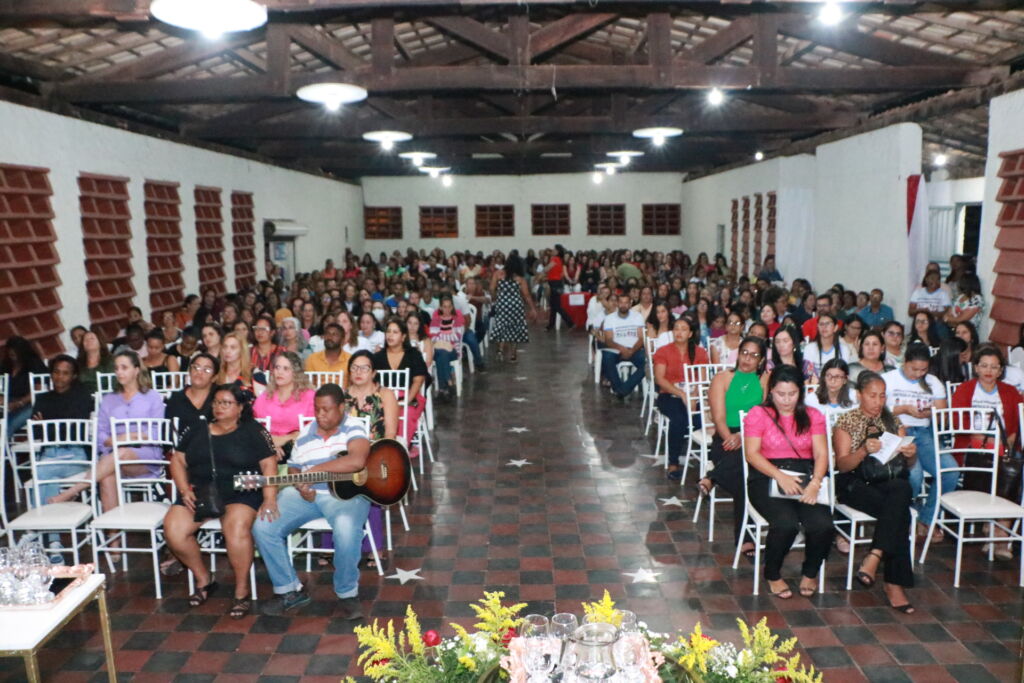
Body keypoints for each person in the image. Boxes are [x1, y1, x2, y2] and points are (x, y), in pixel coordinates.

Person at [253, 384, 371, 618]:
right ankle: (289, 590)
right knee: (263, 526)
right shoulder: (306, 433)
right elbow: (295, 468)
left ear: (341, 407)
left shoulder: (353, 427)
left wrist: (315, 469)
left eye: (327, 410)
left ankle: (347, 593)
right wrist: (300, 484)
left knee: (347, 530)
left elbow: (357, 460)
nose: (320, 415)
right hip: (306, 496)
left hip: (345, 496)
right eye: (317, 409)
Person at [163, 384, 277, 618]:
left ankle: (241, 590)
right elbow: (177, 461)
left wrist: (269, 498)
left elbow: (268, 464)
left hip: (241, 492)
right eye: (216, 402)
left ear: (240, 407)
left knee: (235, 529)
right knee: (174, 531)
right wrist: (184, 490)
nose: (219, 407)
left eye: (226, 403)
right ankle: (204, 578)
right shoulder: (197, 428)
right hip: (201, 492)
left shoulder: (253, 431)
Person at [743, 365, 833, 598]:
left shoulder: (813, 416)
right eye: (781, 394)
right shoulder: (758, 414)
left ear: (800, 392)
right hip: (766, 475)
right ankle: (772, 573)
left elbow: (822, 454)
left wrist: (815, 483)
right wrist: (779, 475)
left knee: (822, 524)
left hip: (804, 474)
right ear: (771, 391)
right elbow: (752, 454)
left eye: (792, 394)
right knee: (786, 524)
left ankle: (810, 572)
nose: (786, 400)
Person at [49, 351, 166, 528]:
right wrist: (116, 440)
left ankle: (74, 490)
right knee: (106, 476)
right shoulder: (109, 399)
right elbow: (101, 434)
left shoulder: (152, 397)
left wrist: (124, 438)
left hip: (145, 458)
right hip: (113, 458)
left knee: (121, 452)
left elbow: (156, 433)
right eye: (116, 368)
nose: (119, 372)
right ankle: (114, 542)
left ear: (136, 370)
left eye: (124, 368)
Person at [833, 371, 918, 613]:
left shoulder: (891, 421)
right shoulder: (847, 421)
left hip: (886, 481)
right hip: (853, 483)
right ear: (859, 395)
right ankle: (894, 584)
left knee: (901, 488)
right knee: (898, 511)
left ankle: (876, 553)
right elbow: (842, 465)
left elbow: (904, 465)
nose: (878, 401)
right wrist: (862, 451)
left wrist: (910, 455)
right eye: (872, 395)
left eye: (882, 396)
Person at [950, 345, 1023, 560]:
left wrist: (1009, 437)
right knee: (991, 462)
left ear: (1001, 370)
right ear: (976, 368)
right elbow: (956, 420)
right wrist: (980, 438)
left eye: (994, 367)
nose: (989, 371)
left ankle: (999, 530)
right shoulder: (964, 389)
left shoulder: (1010, 392)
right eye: (984, 366)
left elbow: (1020, 421)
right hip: (972, 447)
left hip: (1003, 448)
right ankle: (993, 528)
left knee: (1011, 468)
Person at [702, 336, 769, 556]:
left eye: (754, 355)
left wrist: (743, 435)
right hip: (725, 440)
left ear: (761, 360)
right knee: (745, 475)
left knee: (746, 465)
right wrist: (731, 437)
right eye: (744, 353)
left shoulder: (765, 380)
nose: (747, 359)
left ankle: (712, 476)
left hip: (755, 439)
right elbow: (718, 418)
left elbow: (766, 417)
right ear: (738, 354)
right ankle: (745, 539)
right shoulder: (722, 378)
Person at [882, 344, 951, 542]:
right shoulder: (889, 379)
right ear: (905, 363)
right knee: (915, 474)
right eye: (914, 369)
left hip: (924, 433)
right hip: (897, 431)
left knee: (950, 472)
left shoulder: (932, 381)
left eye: (923, 369)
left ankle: (926, 519)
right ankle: (904, 515)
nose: (919, 374)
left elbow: (941, 414)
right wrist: (902, 408)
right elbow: (876, 409)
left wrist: (930, 413)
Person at [29, 355, 94, 561]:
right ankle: (54, 543)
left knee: (41, 473)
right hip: (50, 454)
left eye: (65, 373)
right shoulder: (43, 398)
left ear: (73, 375)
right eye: (56, 372)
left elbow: (74, 429)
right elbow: (39, 433)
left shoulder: (82, 395)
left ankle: (39, 532)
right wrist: (52, 426)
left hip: (75, 454)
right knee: (47, 477)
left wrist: (49, 423)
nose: (60, 377)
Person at [344, 351, 399, 566]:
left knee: (368, 483)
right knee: (331, 479)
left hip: (376, 455)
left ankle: (373, 547)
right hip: (345, 456)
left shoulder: (384, 395)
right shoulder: (342, 396)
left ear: (373, 372)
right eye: (354, 367)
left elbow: (391, 434)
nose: (358, 372)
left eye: (364, 368)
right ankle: (333, 545)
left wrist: (375, 458)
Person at [653, 317, 709, 481]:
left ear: (690, 333)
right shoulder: (663, 351)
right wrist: (682, 394)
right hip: (669, 395)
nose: (679, 332)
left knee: (704, 420)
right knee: (679, 420)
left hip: (693, 396)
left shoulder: (699, 352)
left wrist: (693, 396)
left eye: (684, 329)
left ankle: (709, 463)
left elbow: (702, 380)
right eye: (676, 328)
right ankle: (673, 462)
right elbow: (660, 379)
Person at [372, 318, 429, 448]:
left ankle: (400, 450)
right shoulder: (377, 357)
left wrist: (405, 401)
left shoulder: (413, 354)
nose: (390, 335)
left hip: (409, 397)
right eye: (388, 332)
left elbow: (418, 380)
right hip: (384, 398)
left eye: (395, 332)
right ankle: (379, 449)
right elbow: (373, 382)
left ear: (403, 337)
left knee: (405, 415)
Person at [253, 352, 316, 461]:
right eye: (277, 367)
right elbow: (254, 429)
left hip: (301, 449)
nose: (279, 372)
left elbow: (313, 430)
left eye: (286, 368)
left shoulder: (309, 397)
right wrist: (271, 446)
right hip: (267, 450)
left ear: (296, 373)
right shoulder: (265, 397)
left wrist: (285, 439)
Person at [489, 251, 536, 362]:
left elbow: (491, 289)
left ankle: (500, 350)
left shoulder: (498, 274)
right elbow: (526, 295)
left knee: (501, 325)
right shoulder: (520, 279)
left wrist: (496, 297)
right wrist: (533, 308)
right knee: (515, 328)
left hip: (502, 304)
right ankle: (513, 354)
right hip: (516, 305)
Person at [600, 293, 647, 399]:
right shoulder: (610, 318)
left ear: (630, 304)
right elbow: (608, 340)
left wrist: (632, 350)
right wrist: (622, 349)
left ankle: (623, 389)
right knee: (606, 357)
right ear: (617, 303)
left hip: (634, 349)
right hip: (616, 350)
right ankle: (619, 388)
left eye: (626, 302)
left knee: (648, 363)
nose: (623, 305)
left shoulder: (637, 316)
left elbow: (641, 338)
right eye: (621, 302)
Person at [1, 336, 48, 436]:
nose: (12, 352)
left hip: (31, 403)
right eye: (10, 349)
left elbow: (39, 389)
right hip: (9, 401)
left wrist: (20, 403)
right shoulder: (5, 365)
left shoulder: (34, 364)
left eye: (15, 349)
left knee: (9, 423)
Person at [429, 296, 465, 399]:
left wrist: (441, 337)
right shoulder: (435, 320)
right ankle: (447, 383)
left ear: (452, 307)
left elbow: (457, 336)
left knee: (442, 354)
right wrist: (447, 337)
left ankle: (442, 388)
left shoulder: (457, 319)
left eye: (449, 307)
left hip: (453, 350)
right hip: (438, 350)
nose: (447, 309)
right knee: (441, 354)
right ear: (440, 307)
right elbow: (433, 338)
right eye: (444, 307)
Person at [803, 313, 847, 378]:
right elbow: (808, 374)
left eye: (828, 323)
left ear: (835, 327)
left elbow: (844, 374)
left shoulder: (844, 349)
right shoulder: (809, 348)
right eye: (821, 324)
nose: (824, 327)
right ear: (817, 328)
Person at [545, 245, 574, 330]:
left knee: (556, 305)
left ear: (557, 251)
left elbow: (547, 268)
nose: (552, 250)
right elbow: (561, 273)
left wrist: (542, 272)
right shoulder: (560, 260)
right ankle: (551, 325)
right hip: (557, 283)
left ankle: (570, 322)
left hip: (554, 284)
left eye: (554, 249)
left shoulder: (554, 259)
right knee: (554, 305)